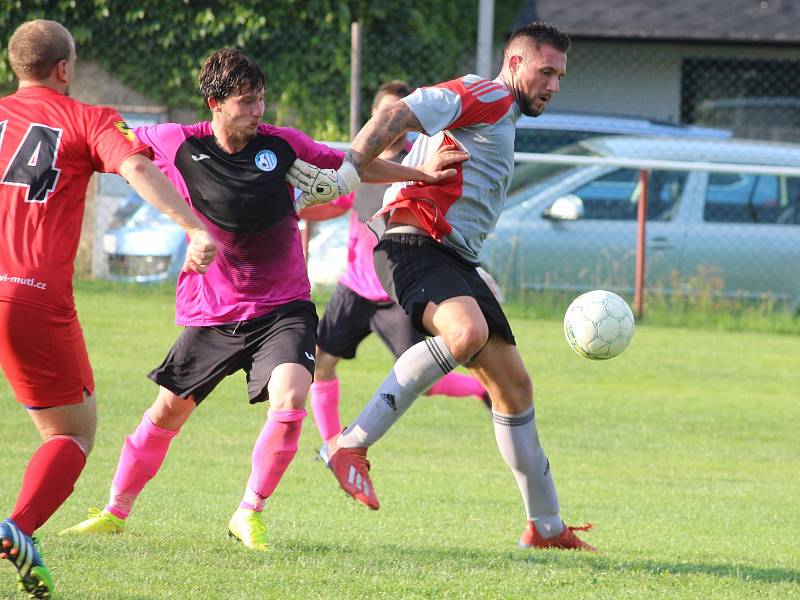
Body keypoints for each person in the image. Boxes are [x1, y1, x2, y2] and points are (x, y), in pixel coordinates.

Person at [59, 48, 465, 552]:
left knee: (292, 397)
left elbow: (350, 166)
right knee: (167, 412)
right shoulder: (177, 143)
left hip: (284, 308)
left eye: (261, 100)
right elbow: (107, 147)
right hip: (215, 309)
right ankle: (115, 510)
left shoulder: (283, 145)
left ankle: (249, 511)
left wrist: (422, 176)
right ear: (215, 103)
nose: (258, 111)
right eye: (247, 102)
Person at [303, 22, 596, 550]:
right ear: (514, 63)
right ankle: (348, 445)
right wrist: (349, 169)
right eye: (545, 70)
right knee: (464, 332)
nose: (553, 84)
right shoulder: (485, 93)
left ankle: (546, 528)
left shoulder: (501, 115)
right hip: (412, 241)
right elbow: (395, 113)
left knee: (514, 387)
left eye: (560, 75)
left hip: (455, 258)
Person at [0, 20, 216, 599]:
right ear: (64, 68)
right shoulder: (87, 118)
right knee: (70, 433)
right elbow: (137, 167)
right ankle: (17, 529)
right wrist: (192, 228)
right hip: (29, 295)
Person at [301, 81, 490, 458]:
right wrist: (290, 207)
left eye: (399, 112)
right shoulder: (358, 166)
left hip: (395, 289)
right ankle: (330, 446)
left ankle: (480, 390)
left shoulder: (420, 164)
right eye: (385, 111)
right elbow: (335, 205)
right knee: (320, 363)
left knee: (426, 380)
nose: (392, 118)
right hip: (354, 288)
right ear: (375, 116)